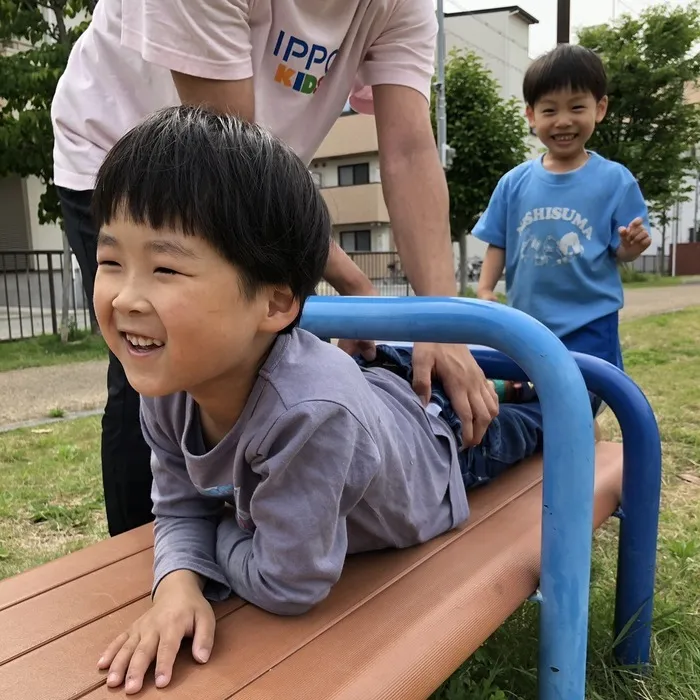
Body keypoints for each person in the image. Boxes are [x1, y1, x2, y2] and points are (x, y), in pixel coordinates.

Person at [90, 106, 543, 694]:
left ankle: (560, 395)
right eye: (110, 261)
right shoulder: (165, 378)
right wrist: (178, 582)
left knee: (541, 418)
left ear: (276, 306)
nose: (126, 297)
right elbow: (179, 507)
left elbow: (287, 585)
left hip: (439, 453)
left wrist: (220, 536)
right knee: (409, 382)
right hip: (367, 399)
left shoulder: (309, 416)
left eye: (166, 268)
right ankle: (497, 383)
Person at [51, 0, 499, 537]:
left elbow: (407, 149)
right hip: (114, 145)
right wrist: (352, 284)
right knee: (157, 360)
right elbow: (233, 175)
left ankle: (258, 527)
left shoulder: (402, 4)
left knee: (267, 354)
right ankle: (152, 561)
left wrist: (440, 324)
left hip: (251, 170)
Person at [474, 44, 651, 412]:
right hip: (529, 322)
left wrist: (630, 249)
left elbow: (622, 249)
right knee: (538, 391)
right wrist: (486, 289)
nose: (563, 120)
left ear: (599, 109)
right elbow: (498, 241)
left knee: (582, 395)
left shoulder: (614, 181)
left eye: (577, 107)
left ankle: (583, 422)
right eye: (549, 110)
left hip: (590, 321)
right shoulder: (514, 182)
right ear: (530, 115)